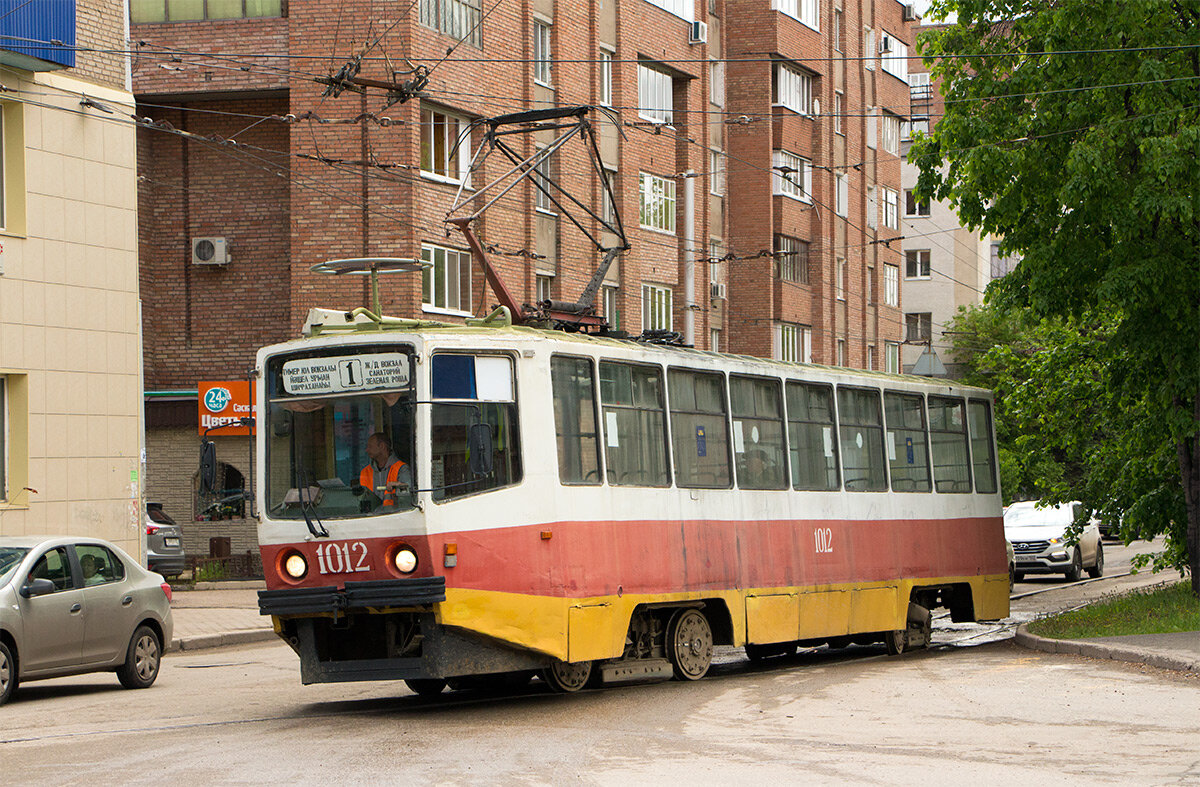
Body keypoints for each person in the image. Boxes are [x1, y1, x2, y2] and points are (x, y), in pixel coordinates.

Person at [358, 432, 411, 509]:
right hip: (371, 515)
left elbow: (407, 497)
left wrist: (399, 486)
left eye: (370, 446)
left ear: (382, 446)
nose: (367, 450)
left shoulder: (401, 468)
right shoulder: (365, 472)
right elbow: (361, 499)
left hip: (395, 514)